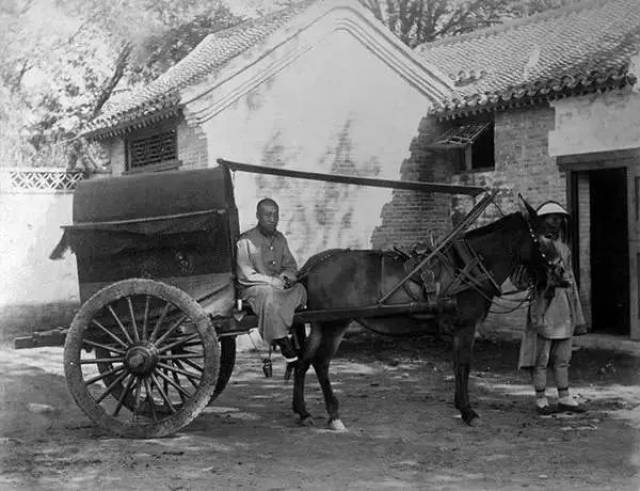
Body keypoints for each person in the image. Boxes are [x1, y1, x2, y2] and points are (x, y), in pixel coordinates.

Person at [517, 200, 587, 415]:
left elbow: (571, 280)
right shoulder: (535, 247)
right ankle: (541, 398)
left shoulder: (564, 248)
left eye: (560, 219)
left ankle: (564, 397)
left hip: (564, 304)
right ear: (542, 221)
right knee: (542, 357)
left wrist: (578, 312)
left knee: (563, 356)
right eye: (552, 218)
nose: (556, 222)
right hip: (544, 304)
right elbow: (520, 278)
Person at [236, 198, 307, 363]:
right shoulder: (245, 241)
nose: (272, 219)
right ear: (258, 216)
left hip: (280, 287)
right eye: (267, 215)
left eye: (275, 215)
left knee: (300, 290)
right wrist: (272, 281)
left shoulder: (280, 239)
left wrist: (286, 277)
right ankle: (281, 340)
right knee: (268, 295)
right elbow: (246, 275)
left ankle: (289, 332)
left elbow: (290, 266)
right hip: (254, 289)